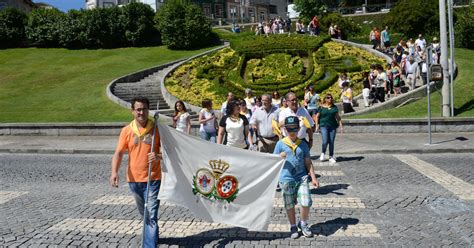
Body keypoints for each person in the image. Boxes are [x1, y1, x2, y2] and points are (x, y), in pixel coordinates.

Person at [110, 97, 162, 247]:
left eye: (144, 109)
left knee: (150, 214)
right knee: (145, 215)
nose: (141, 112)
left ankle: (149, 245)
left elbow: (168, 152)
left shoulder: (157, 128)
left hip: (153, 179)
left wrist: (158, 156)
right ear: (132, 111)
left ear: (148, 110)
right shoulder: (126, 131)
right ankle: (154, 235)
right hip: (134, 180)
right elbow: (119, 153)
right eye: (138, 109)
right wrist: (114, 172)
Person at [274, 116, 319, 239]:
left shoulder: (303, 144)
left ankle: (303, 223)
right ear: (285, 130)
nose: (292, 132)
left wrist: (314, 177)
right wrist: (279, 157)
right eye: (289, 130)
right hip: (286, 179)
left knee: (306, 202)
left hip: (302, 177)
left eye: (294, 129)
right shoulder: (280, 144)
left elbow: (308, 162)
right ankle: (293, 225)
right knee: (289, 204)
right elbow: (273, 162)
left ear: (299, 129)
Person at [314, 94, 343, 163]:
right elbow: (317, 117)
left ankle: (331, 156)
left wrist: (341, 126)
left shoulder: (334, 107)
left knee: (331, 142)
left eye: (331, 97)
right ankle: (323, 153)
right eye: (328, 98)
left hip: (332, 126)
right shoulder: (321, 107)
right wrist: (316, 126)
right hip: (323, 125)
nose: (330, 99)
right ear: (325, 99)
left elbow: (338, 117)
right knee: (325, 141)